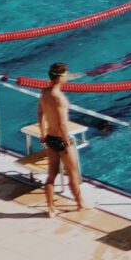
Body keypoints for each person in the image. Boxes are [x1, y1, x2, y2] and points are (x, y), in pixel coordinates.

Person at [36, 62, 84, 214]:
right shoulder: (59, 98)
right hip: (61, 140)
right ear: (61, 77)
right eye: (67, 75)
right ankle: (80, 204)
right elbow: (63, 124)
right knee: (73, 173)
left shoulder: (44, 92)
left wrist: (43, 133)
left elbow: (40, 114)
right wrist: (67, 142)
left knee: (52, 174)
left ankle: (50, 208)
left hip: (50, 138)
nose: (68, 77)